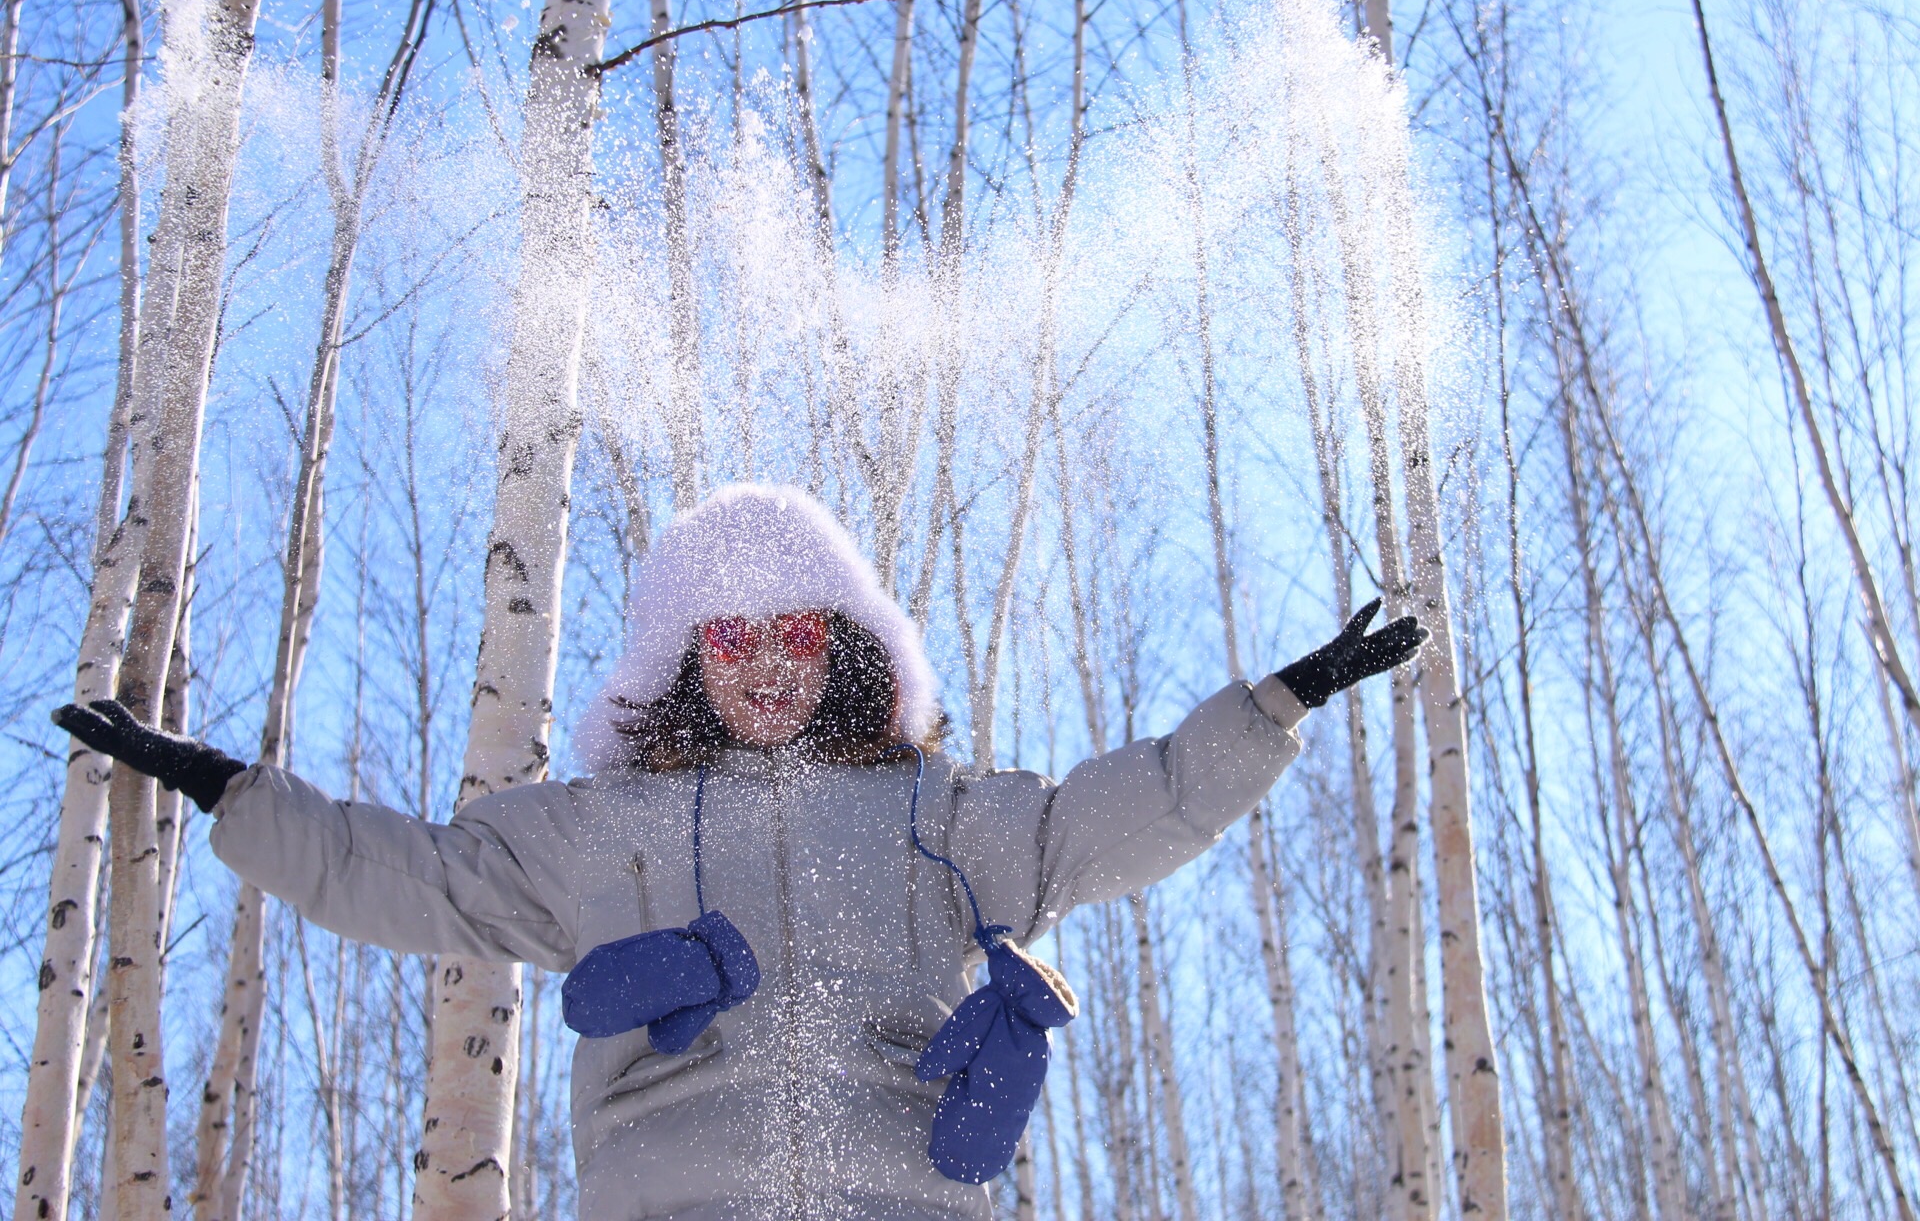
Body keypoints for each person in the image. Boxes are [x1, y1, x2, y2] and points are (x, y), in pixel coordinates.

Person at [54, 484, 1426, 1221]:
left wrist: (1277, 703)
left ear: (844, 651)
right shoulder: (597, 833)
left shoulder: (933, 816)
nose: (766, 667)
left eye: (797, 636)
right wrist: (229, 789)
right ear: (680, 658)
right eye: (729, 639)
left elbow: (1127, 812)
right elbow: (401, 876)